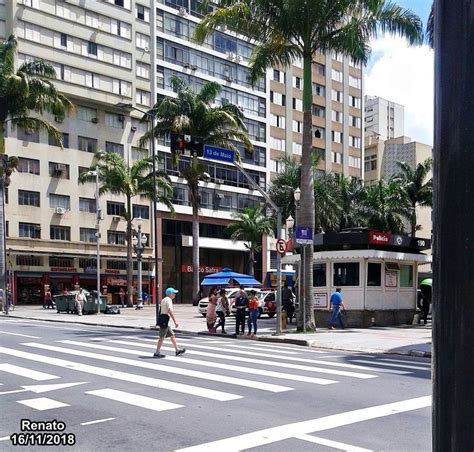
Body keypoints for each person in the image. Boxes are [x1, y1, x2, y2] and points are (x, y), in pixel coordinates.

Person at [153, 288, 186, 358]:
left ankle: (177, 350)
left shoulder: (164, 299)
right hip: (165, 321)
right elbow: (170, 310)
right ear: (170, 293)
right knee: (161, 337)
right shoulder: (168, 300)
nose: (174, 294)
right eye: (173, 293)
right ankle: (157, 352)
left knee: (172, 335)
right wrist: (175, 321)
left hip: (165, 321)